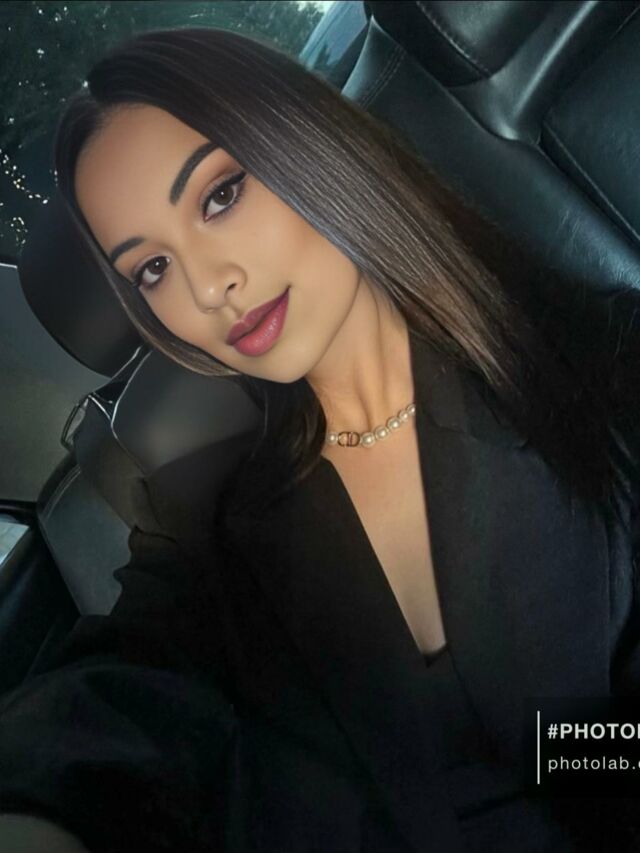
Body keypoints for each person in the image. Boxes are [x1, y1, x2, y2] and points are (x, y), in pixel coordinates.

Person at [1, 24, 640, 853]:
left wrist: (574, 758)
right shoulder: (213, 517)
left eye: (220, 195)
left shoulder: (603, 363)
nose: (208, 288)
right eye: (151, 269)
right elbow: (123, 695)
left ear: (306, 141)